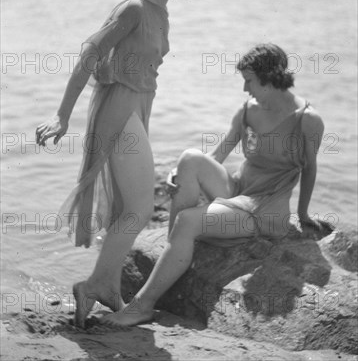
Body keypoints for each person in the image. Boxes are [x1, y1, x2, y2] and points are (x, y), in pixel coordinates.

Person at [35, 0, 205, 328]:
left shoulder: (160, 11)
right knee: (141, 207)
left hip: (138, 108)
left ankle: (107, 284)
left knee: (133, 205)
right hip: (119, 110)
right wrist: (62, 115)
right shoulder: (132, 7)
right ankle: (94, 284)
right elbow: (89, 54)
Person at [101, 43, 330, 328]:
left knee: (187, 221)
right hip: (238, 189)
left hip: (265, 208)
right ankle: (176, 250)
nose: (245, 89)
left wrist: (304, 214)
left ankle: (143, 305)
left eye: (249, 81)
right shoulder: (249, 110)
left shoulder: (308, 120)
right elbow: (217, 156)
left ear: (269, 79)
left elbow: (310, 170)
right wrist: (178, 174)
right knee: (189, 159)